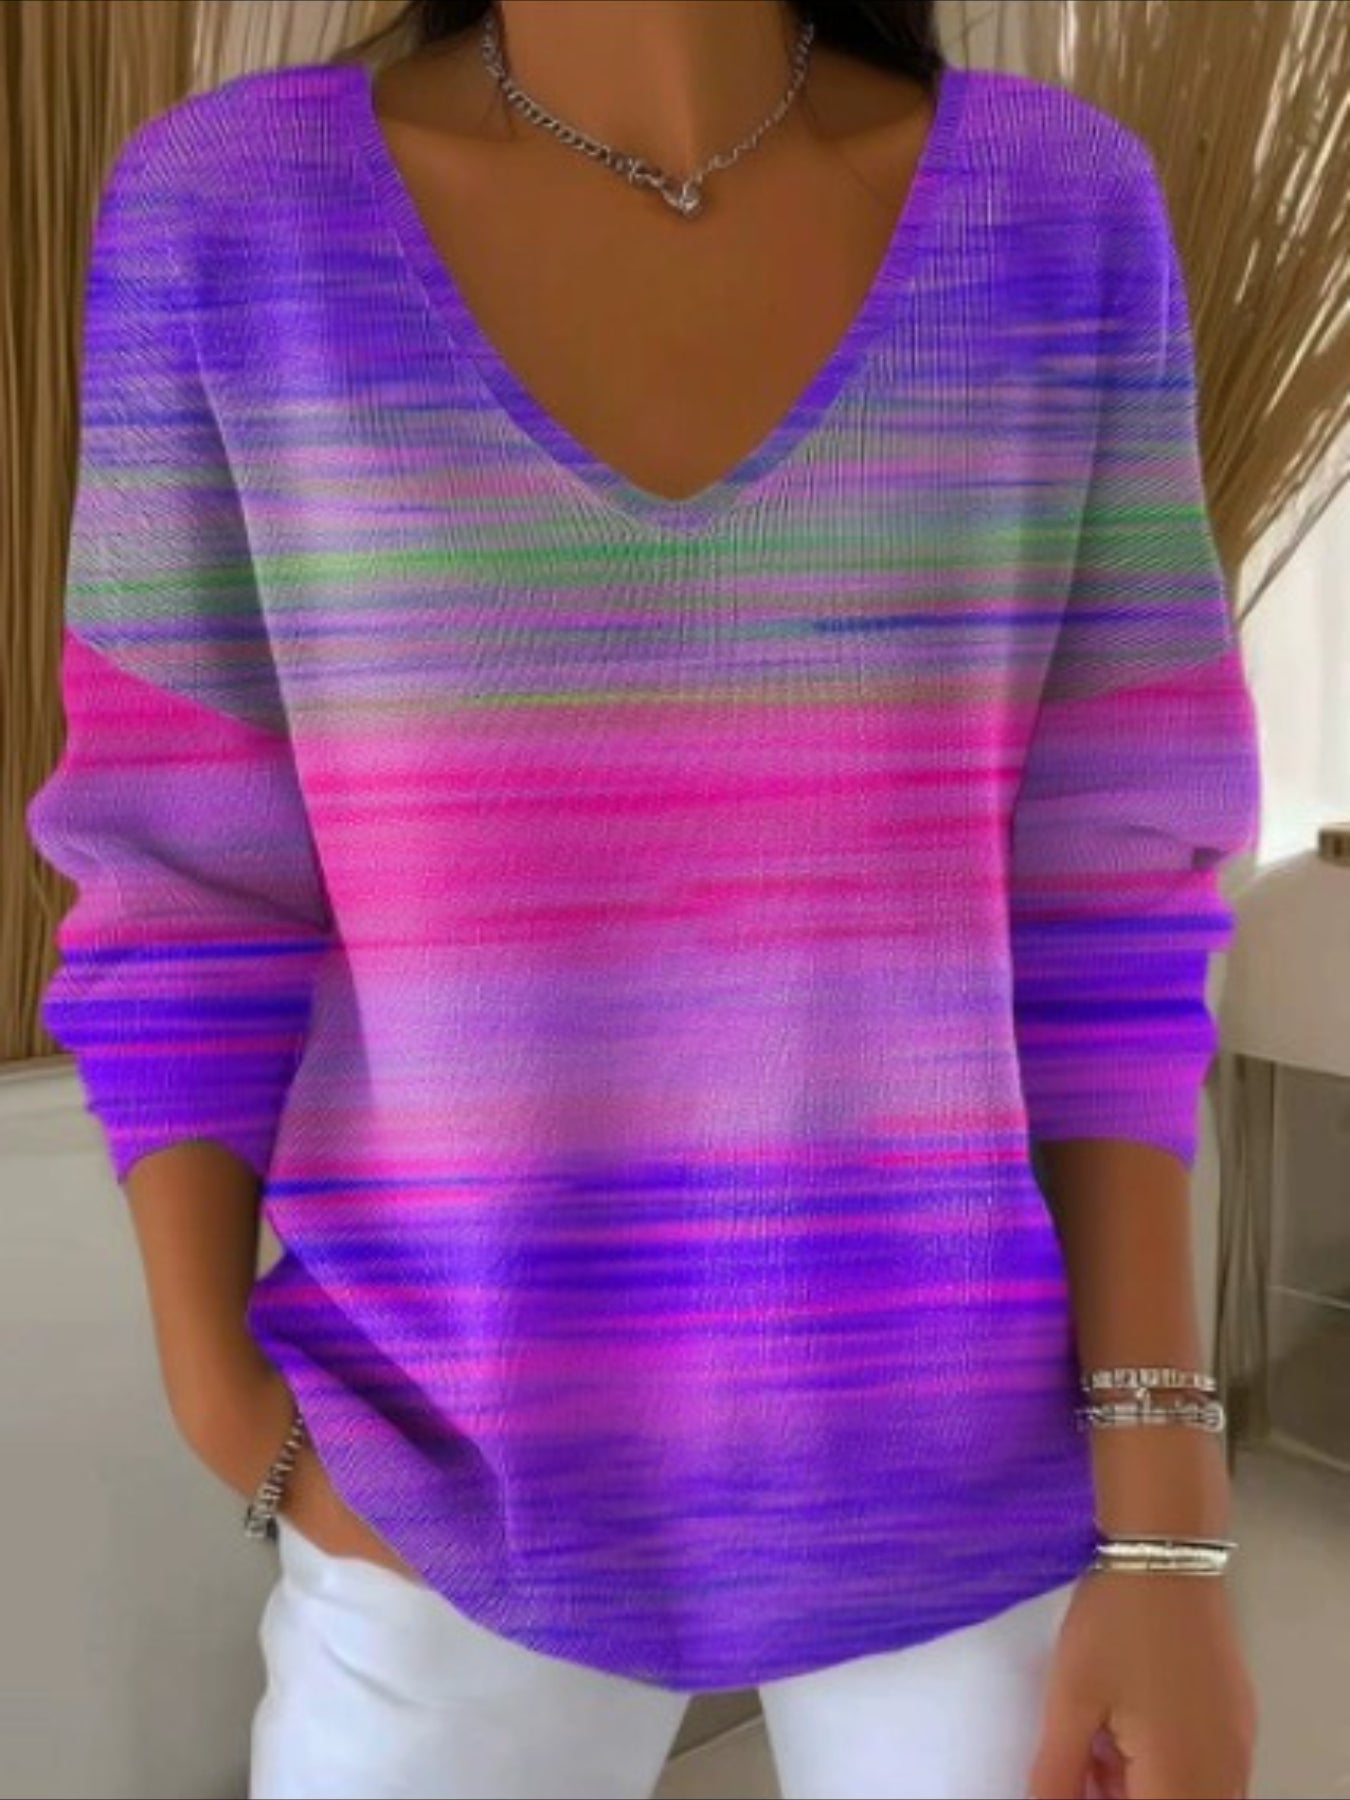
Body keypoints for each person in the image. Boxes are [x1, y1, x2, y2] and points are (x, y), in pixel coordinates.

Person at [24, 1, 1263, 1795]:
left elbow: (1108, 909)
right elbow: (181, 877)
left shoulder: (1054, 213)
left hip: (972, 1483)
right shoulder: (231, 219)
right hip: (435, 1484)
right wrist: (235, 1410)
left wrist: (1165, 1532)